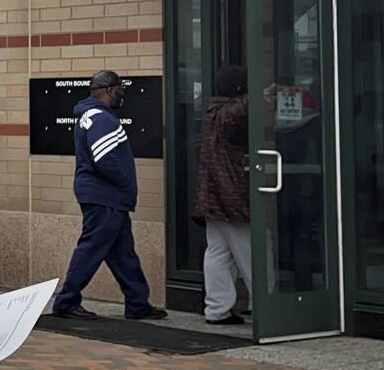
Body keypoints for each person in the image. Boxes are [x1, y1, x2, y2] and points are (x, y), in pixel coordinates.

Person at [50, 70, 168, 321]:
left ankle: (137, 303)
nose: (122, 95)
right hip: (105, 196)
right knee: (91, 248)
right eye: (119, 90)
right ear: (108, 91)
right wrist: (124, 182)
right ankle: (67, 301)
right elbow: (104, 158)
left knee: (123, 252)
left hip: (107, 196)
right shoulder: (101, 118)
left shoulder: (90, 116)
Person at [195, 66, 252, 325]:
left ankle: (217, 309)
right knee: (253, 251)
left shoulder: (213, 111)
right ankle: (266, 305)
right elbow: (245, 108)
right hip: (232, 196)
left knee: (218, 252)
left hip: (212, 197)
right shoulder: (230, 114)